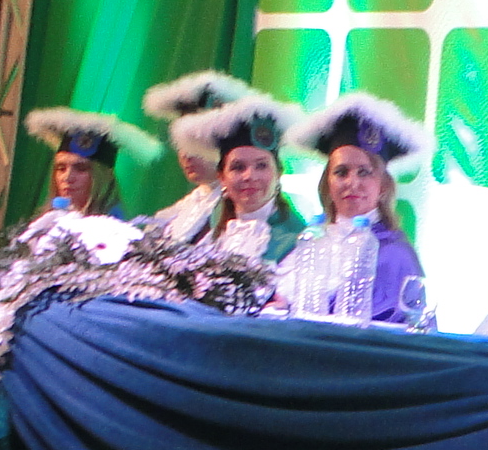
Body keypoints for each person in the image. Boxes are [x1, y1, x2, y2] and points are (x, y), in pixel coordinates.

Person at [285, 92, 429, 324]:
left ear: (383, 186)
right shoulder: (311, 241)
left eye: (364, 172)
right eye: (341, 172)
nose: (352, 183)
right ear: (327, 183)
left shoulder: (396, 255)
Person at [187, 91, 308, 263]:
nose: (249, 176)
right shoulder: (212, 238)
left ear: (278, 173)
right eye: (238, 167)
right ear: (222, 177)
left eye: (261, 166)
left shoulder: (297, 243)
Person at [142, 69, 250, 241]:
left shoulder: (243, 206)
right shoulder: (181, 210)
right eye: (182, 145)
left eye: (196, 145)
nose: (186, 156)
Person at [22, 108, 159, 220]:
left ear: (101, 177)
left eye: (81, 168)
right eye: (61, 168)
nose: (67, 177)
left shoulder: (114, 230)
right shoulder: (46, 221)